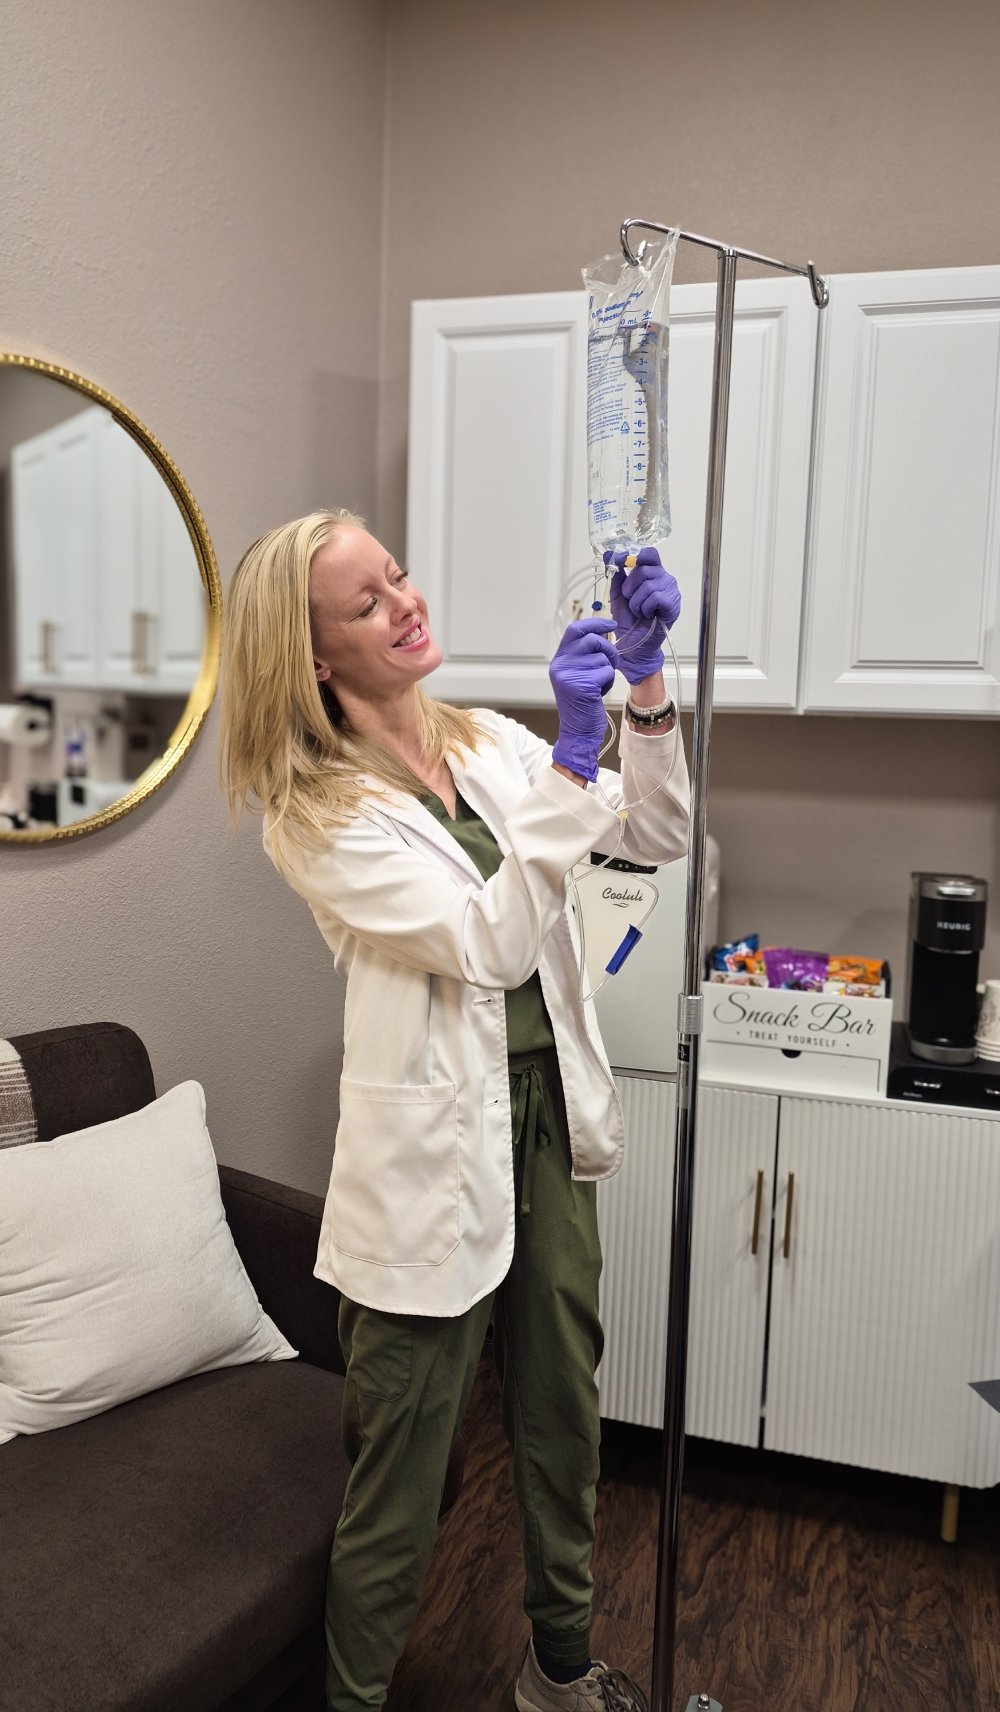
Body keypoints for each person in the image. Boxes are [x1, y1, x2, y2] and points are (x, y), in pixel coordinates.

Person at [219, 509, 690, 1712]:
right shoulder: (313, 815)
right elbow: (487, 941)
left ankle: (560, 1670)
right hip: (432, 1157)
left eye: (398, 576)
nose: (405, 603)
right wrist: (574, 761)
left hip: (549, 1126)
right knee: (402, 1472)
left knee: (561, 1421)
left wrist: (640, 689)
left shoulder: (479, 740)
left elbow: (655, 830)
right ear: (313, 655)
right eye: (367, 603)